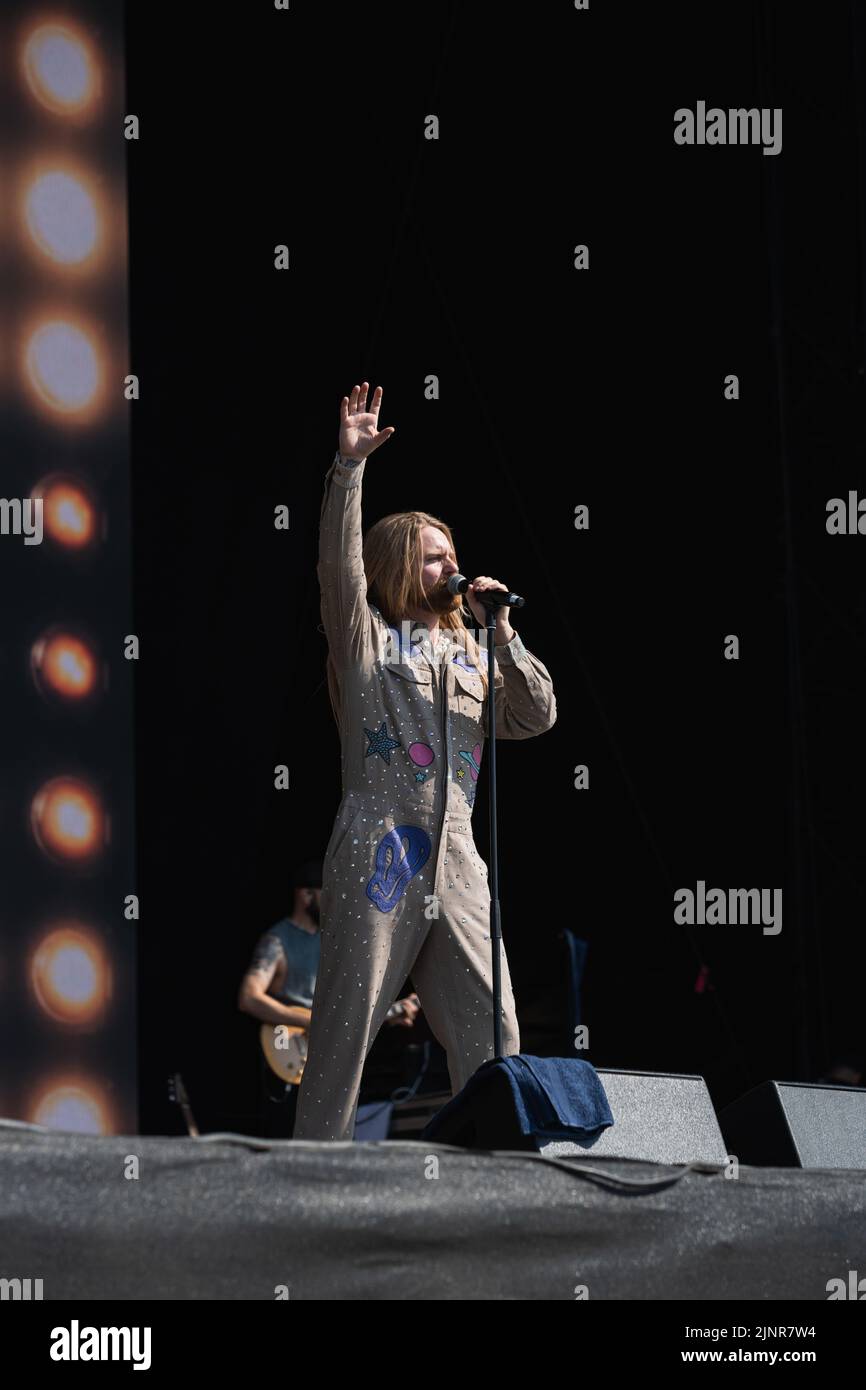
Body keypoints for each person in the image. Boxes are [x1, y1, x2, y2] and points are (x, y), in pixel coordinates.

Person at [292, 382, 557, 1141]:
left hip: (459, 854)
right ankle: (312, 1187)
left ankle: (496, 1181)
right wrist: (348, 470)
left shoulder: (473, 651)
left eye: (454, 554)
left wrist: (500, 631)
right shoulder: (366, 640)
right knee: (346, 1028)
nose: (452, 566)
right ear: (400, 567)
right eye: (435, 557)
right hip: (382, 841)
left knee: (496, 1026)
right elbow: (337, 569)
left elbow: (537, 717)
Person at [238, 859, 420, 1135]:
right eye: (327, 892)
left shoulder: (333, 941)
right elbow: (249, 997)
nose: (334, 900)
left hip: (330, 1057)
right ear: (305, 895)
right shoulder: (278, 940)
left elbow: (348, 1013)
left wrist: (390, 1014)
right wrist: (310, 1021)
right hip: (289, 1052)